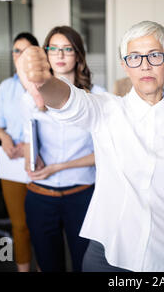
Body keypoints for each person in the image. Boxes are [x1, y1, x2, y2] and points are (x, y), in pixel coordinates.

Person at [16, 20, 164, 272]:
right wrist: (43, 81)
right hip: (107, 256)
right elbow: (69, 101)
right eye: (135, 58)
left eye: (154, 56)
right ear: (125, 66)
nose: (145, 65)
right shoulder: (106, 108)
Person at [22, 26, 105, 272]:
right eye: (54, 48)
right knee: (48, 265)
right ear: (46, 54)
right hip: (40, 196)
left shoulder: (97, 97)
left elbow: (104, 152)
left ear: (78, 55)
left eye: (67, 49)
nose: (60, 55)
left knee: (85, 264)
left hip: (81, 196)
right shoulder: (29, 97)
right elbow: (29, 139)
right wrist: (30, 159)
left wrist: (61, 166)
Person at [0, 32, 39, 272]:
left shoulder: (44, 84)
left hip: (38, 161)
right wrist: (6, 138)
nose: (19, 55)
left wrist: (28, 146)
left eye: (25, 50)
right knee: (19, 226)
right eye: (16, 51)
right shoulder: (5, 87)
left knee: (41, 225)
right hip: (11, 162)